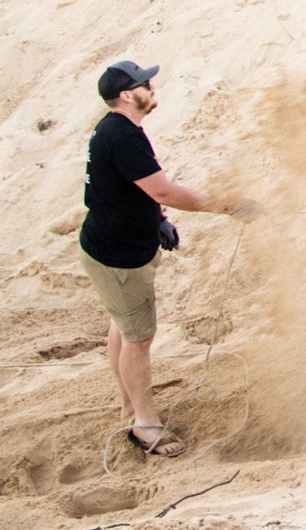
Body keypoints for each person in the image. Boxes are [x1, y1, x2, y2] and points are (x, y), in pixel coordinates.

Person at [78, 59, 246, 458]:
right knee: (138, 338)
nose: (152, 86)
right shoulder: (123, 136)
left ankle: (128, 406)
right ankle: (145, 424)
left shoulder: (120, 129)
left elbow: (130, 190)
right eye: (144, 83)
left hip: (116, 245)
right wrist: (228, 206)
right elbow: (165, 191)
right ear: (126, 95)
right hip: (118, 256)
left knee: (122, 325)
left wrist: (156, 220)